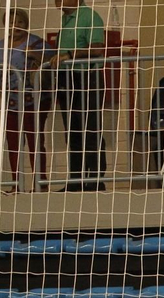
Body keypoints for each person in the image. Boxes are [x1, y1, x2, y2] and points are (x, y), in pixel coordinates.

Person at [0, 10, 49, 192]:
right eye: (11, 22)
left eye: (20, 21)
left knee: (35, 141)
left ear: (26, 24)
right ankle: (16, 184)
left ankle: (40, 184)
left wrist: (36, 56)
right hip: (11, 102)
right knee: (13, 143)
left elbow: (52, 61)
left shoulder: (37, 43)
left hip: (34, 101)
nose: (16, 25)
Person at [52, 0, 106, 191]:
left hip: (87, 77)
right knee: (73, 132)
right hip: (68, 79)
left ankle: (94, 181)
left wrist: (69, 55)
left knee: (90, 130)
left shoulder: (89, 17)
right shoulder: (66, 19)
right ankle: (75, 181)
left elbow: (97, 48)